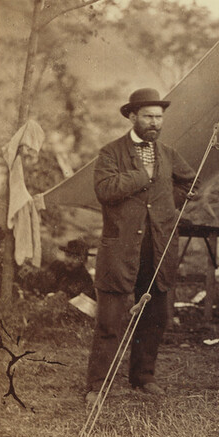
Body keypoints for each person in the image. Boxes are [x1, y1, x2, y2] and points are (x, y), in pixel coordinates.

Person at [85, 88, 196, 403]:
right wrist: (141, 176)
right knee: (110, 319)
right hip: (120, 249)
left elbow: (191, 181)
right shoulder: (110, 153)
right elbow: (104, 190)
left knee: (154, 315)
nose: (154, 122)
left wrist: (169, 203)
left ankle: (143, 377)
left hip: (158, 247)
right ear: (132, 116)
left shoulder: (169, 153)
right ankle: (97, 385)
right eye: (148, 116)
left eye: (159, 117)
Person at [28, 238, 95, 299]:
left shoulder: (85, 279)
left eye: (75, 258)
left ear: (84, 260)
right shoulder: (57, 266)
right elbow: (42, 281)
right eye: (68, 255)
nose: (70, 261)